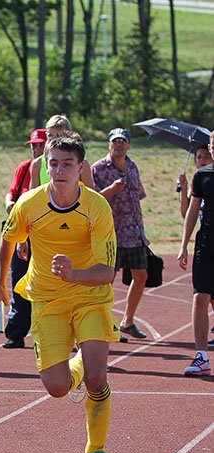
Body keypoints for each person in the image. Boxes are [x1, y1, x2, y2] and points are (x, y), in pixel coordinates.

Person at [0, 133, 121, 453]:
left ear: (81, 168)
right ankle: (76, 365)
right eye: (53, 163)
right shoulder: (29, 204)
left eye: (67, 164)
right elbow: (8, 239)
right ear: (45, 167)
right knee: (58, 387)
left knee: (96, 378)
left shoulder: (96, 207)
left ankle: (98, 451)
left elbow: (106, 272)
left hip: (90, 296)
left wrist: (74, 272)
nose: (60, 170)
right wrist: (0, 283)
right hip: (47, 299)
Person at [92, 128, 150, 340]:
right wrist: (112, 190)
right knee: (107, 280)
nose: (118, 145)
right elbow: (93, 200)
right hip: (112, 234)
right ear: (109, 144)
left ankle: (128, 321)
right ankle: (106, 324)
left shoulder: (133, 166)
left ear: (128, 145)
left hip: (135, 232)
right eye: (115, 141)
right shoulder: (98, 168)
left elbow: (138, 196)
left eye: (122, 142)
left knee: (141, 275)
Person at [0, 128, 47, 349]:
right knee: (19, 279)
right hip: (21, 229)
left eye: (40, 145)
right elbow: (12, 192)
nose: (37, 149)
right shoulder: (24, 167)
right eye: (34, 145)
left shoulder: (56, 169)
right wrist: (9, 202)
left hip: (44, 232)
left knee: (44, 282)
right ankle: (17, 332)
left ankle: (47, 331)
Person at [177, 130, 214, 375]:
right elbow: (192, 212)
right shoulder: (202, 175)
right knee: (200, 295)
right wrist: (184, 245)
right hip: (206, 243)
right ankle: (201, 356)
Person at [28, 115, 94, 189]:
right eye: (50, 136)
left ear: (68, 136)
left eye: (59, 136)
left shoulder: (81, 163)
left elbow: (90, 195)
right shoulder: (38, 164)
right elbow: (32, 195)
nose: (54, 140)